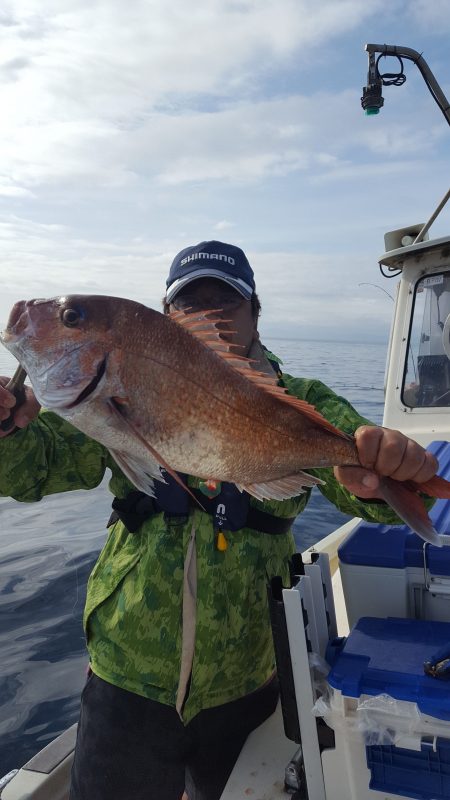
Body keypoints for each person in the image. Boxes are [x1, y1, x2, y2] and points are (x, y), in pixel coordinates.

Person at [0, 240, 438, 800]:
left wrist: (379, 470)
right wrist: (10, 437)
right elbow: (35, 473)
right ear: (165, 317)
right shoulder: (101, 394)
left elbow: (355, 478)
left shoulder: (300, 400)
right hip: (126, 670)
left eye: (224, 303)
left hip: (248, 677)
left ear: (256, 312)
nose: (208, 316)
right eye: (190, 304)